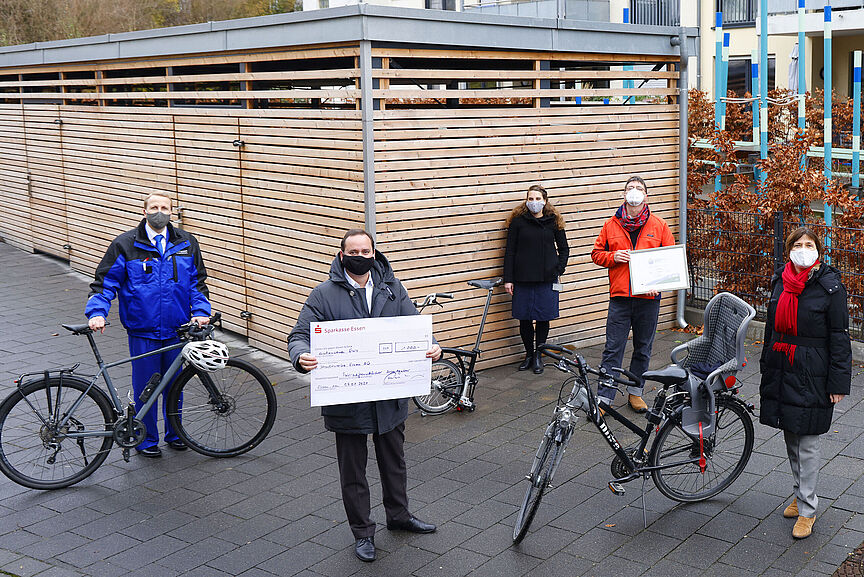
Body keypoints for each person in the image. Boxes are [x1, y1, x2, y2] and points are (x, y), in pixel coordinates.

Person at [287, 229, 442, 563]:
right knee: (353, 471)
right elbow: (299, 335)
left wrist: (432, 346)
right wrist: (300, 356)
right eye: (353, 251)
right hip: (347, 400)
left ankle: (399, 516)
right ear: (342, 255)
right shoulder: (323, 295)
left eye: (366, 251)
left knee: (394, 462)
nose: (360, 256)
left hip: (389, 396)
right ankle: (363, 533)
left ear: (374, 253)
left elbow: (415, 325)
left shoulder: (392, 288)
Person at [85, 192, 211, 458]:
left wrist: (201, 311)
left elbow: (197, 283)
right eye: (154, 207)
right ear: (144, 211)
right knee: (147, 389)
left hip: (178, 330)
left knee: (175, 386)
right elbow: (104, 283)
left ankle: (176, 434)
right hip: (143, 330)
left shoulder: (186, 242)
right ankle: (146, 439)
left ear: (172, 212)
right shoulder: (125, 244)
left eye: (165, 207)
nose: (159, 212)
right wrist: (97, 313)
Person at [760, 227, 851, 539]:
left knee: (808, 441)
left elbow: (839, 337)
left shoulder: (830, 287)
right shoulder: (781, 281)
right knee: (791, 436)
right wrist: (766, 364)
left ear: (818, 251)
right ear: (788, 250)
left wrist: (838, 383)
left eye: (809, 244)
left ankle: (808, 509)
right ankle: (800, 495)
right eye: (797, 244)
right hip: (783, 366)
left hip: (813, 371)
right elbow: (771, 327)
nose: (803, 249)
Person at [591, 176, 674, 413]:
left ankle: (636, 393)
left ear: (646, 196)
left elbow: (669, 261)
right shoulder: (611, 225)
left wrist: (658, 283)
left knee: (643, 347)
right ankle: (604, 398)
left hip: (648, 299)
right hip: (620, 298)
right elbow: (596, 254)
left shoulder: (659, 225)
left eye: (639, 188)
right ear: (624, 194)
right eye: (630, 188)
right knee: (613, 348)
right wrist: (613, 257)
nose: (634, 192)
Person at [503, 184, 569, 374]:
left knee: (543, 317)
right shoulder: (518, 222)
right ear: (526, 201)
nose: (534, 202)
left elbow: (564, 248)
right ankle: (529, 355)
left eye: (538, 199)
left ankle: (539, 355)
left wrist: (558, 269)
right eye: (530, 199)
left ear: (545, 201)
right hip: (522, 279)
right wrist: (509, 279)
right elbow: (510, 252)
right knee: (524, 318)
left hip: (546, 279)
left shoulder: (553, 221)